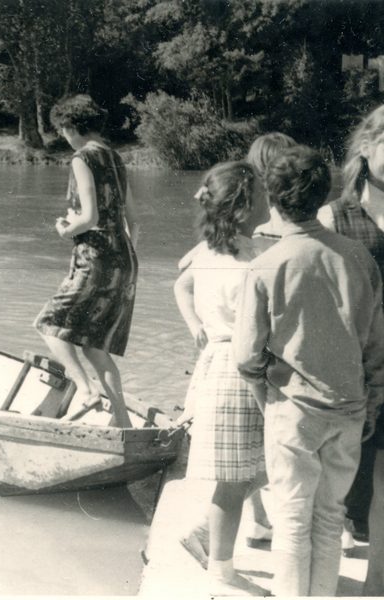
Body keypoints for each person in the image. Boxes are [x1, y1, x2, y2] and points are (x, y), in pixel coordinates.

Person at [233, 145, 384, 597]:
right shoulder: (358, 258)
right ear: (323, 195)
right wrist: (371, 402)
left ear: (273, 199)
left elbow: (245, 356)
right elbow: (375, 346)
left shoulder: (265, 266)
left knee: (292, 520)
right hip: (349, 408)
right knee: (329, 516)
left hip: (294, 409)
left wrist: (266, 399)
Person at [172, 162, 270, 594]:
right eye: (265, 194)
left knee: (259, 468)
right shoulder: (253, 259)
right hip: (241, 367)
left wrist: (195, 322)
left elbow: (184, 284)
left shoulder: (208, 251)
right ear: (245, 206)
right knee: (236, 480)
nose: (272, 200)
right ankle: (221, 573)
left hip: (221, 363)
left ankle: (208, 540)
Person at [33, 94, 138, 427]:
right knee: (94, 344)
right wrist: (119, 254)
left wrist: (66, 229)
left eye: (62, 129)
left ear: (70, 126)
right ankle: (121, 421)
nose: (62, 136)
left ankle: (87, 389)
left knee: (48, 324)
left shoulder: (82, 158)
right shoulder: (116, 159)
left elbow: (90, 217)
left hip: (94, 257)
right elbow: (133, 219)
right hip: (125, 258)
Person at [318, 104, 384, 593]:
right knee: (339, 481)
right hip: (353, 367)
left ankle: (375, 585)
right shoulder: (334, 216)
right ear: (367, 148)